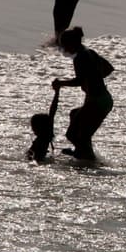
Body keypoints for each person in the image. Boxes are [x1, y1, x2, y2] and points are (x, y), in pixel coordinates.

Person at [53, 27, 115, 161]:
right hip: (104, 99)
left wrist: (61, 83)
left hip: (96, 101)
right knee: (75, 115)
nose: (64, 49)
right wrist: (95, 78)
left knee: (73, 135)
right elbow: (109, 68)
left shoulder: (80, 58)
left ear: (72, 43)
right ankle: (82, 153)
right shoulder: (90, 52)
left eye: (64, 45)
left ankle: (88, 160)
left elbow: (79, 80)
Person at [26, 88, 59, 163]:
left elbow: (53, 110)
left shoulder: (44, 137)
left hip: (37, 161)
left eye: (33, 127)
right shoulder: (44, 137)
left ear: (40, 127)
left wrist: (57, 93)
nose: (32, 129)